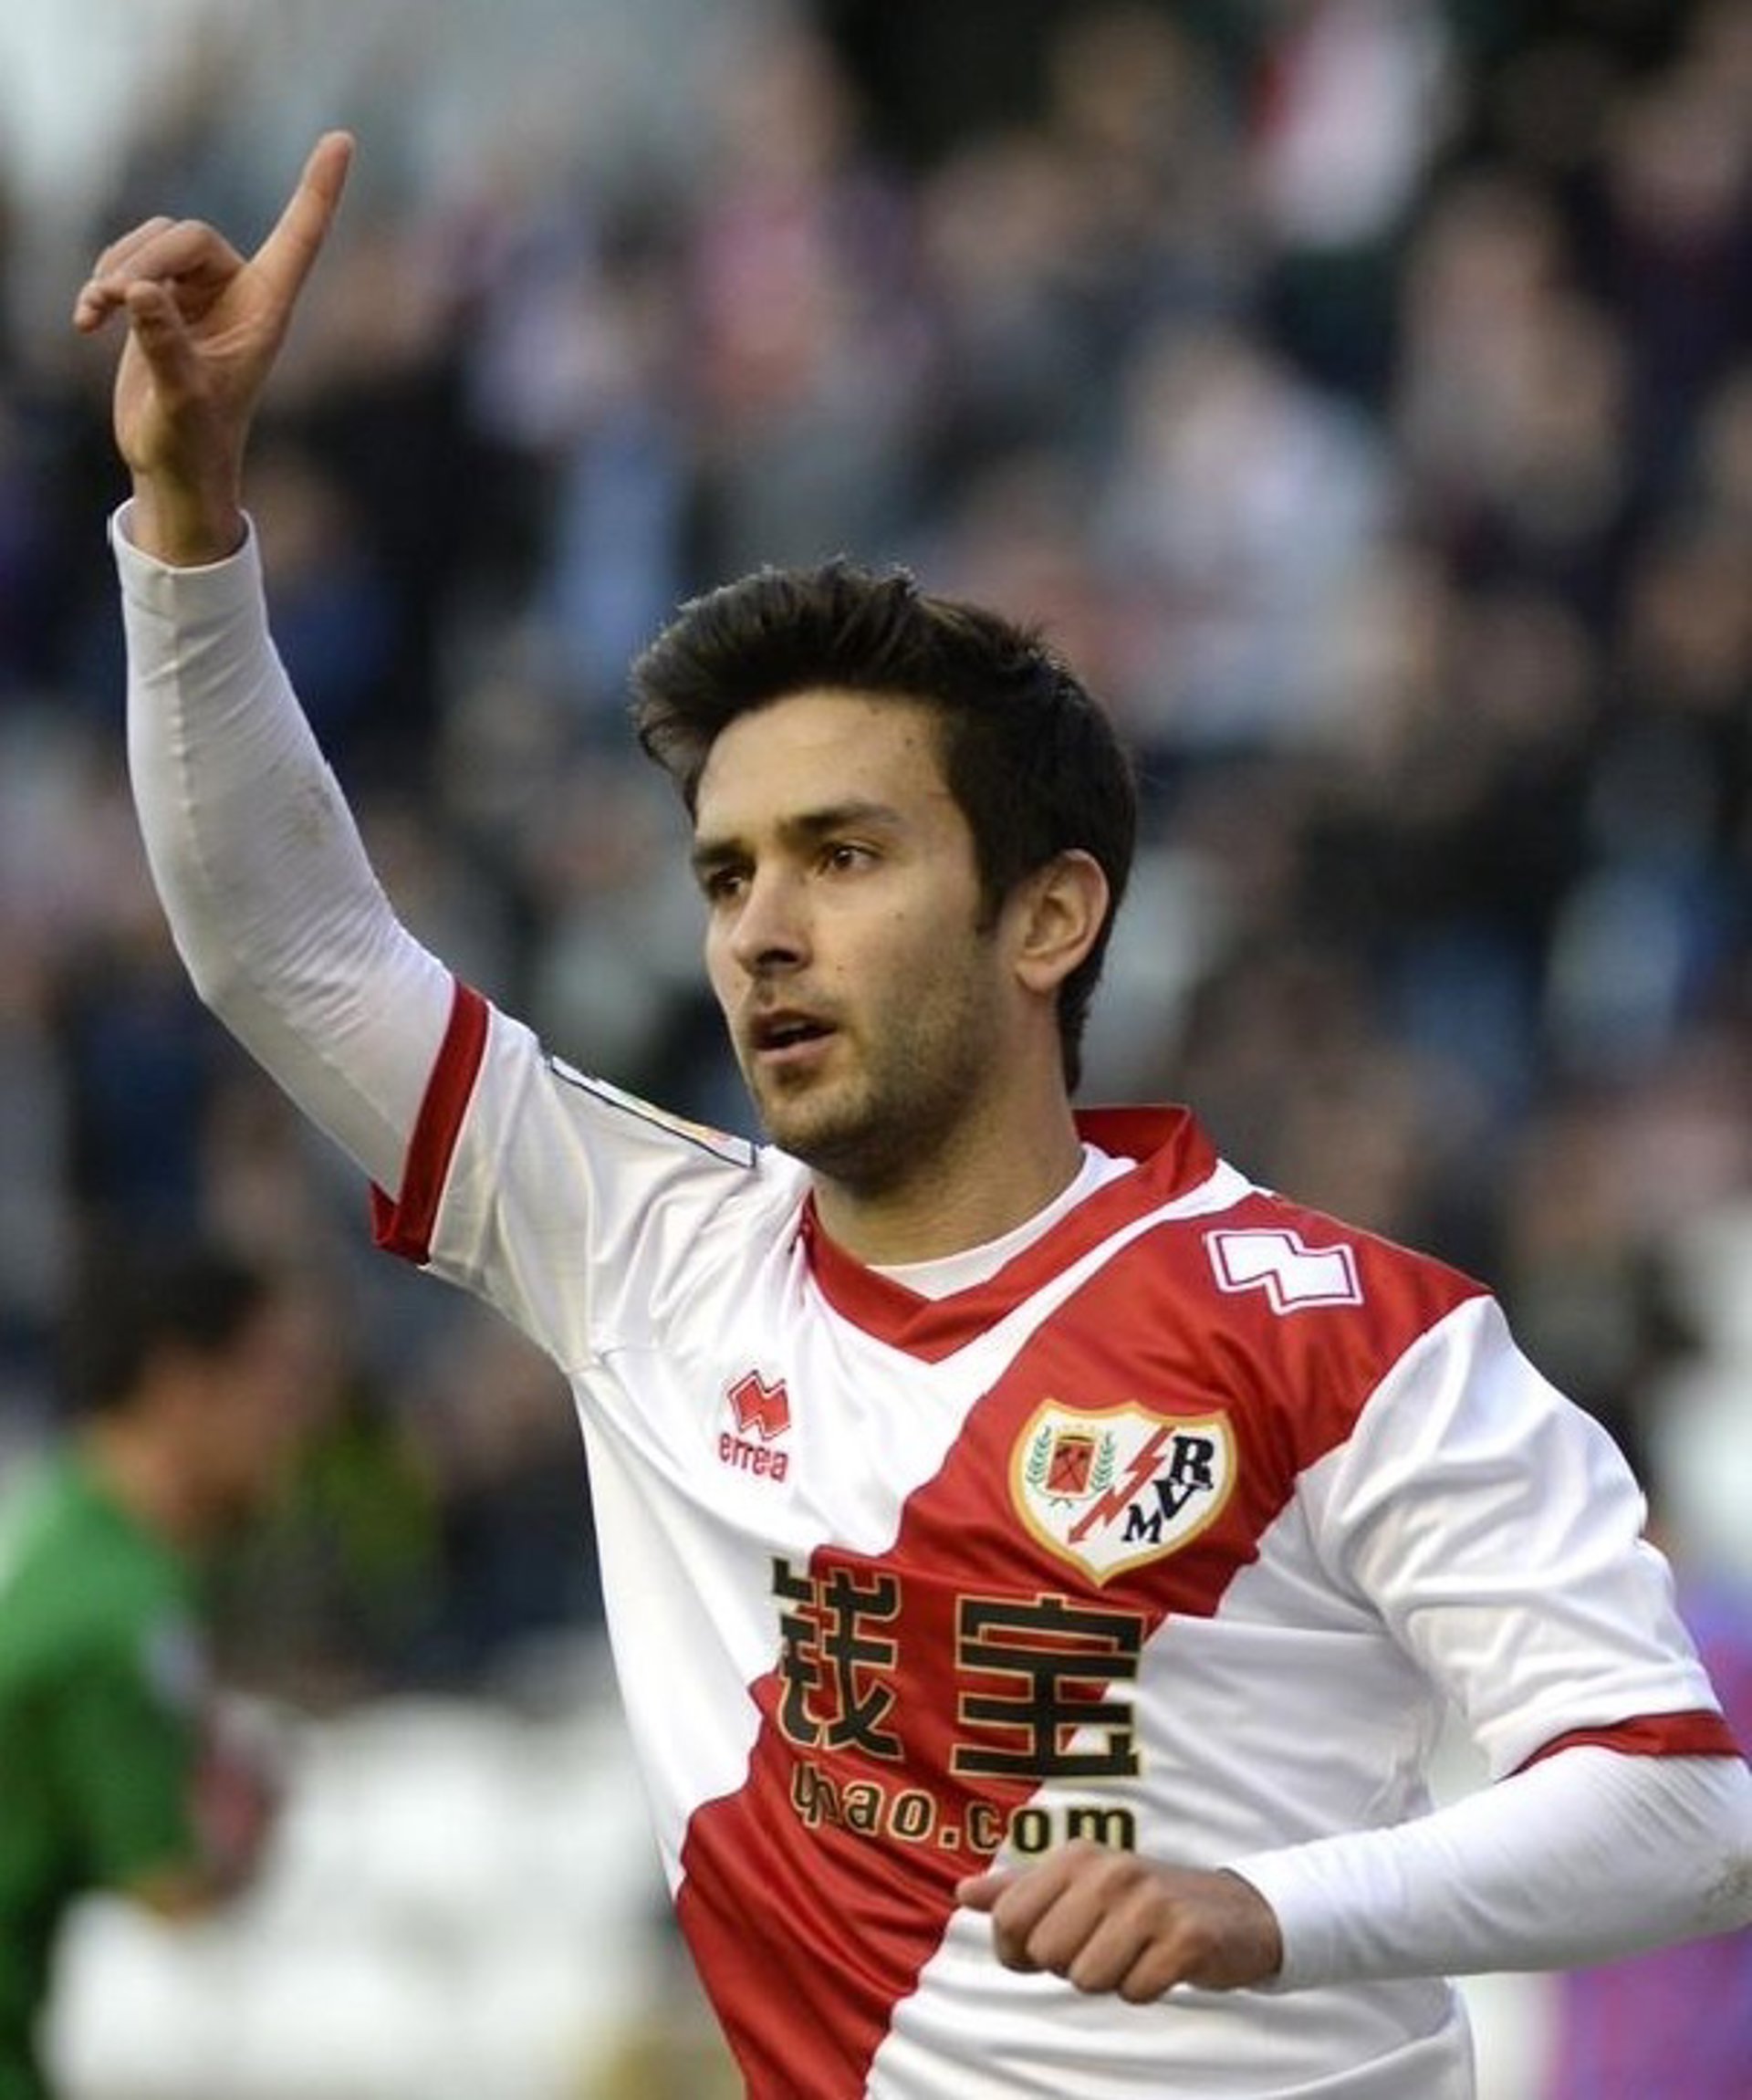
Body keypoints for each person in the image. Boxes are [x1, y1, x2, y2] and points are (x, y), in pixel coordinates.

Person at [71, 132, 1752, 2100]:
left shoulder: (1355, 1341)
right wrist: (189, 521)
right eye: (727, 875)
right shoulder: (642, 1251)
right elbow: (289, 947)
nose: (762, 930)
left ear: (1052, 915)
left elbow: (1678, 1807)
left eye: (844, 854)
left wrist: (1264, 1907)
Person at [0, 1242, 321, 2100]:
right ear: (181, 1386)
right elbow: (170, 1888)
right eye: (276, 1381)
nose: (297, 1422)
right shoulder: (117, 1613)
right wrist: (253, 1818)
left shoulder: (66, 1521)